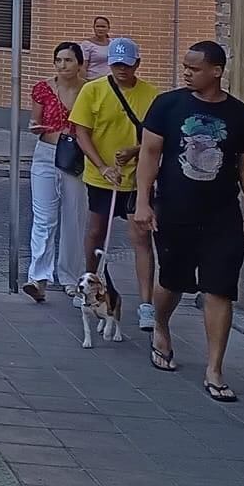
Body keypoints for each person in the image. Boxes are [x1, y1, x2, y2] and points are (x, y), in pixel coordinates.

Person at [134, 42, 244, 401]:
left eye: (194, 68)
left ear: (217, 71)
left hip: (222, 215)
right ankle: (161, 325)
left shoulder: (242, 116)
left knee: (219, 289)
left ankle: (215, 369)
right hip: (174, 210)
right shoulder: (167, 106)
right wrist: (143, 203)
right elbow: (149, 154)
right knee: (172, 281)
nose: (187, 73)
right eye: (185, 67)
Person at [69, 37, 160, 331]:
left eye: (127, 64)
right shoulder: (93, 91)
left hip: (136, 177)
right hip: (102, 177)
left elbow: (156, 136)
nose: (122, 69)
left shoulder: (151, 95)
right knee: (96, 231)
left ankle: (146, 304)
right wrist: (102, 166)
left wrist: (134, 151)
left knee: (141, 237)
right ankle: (89, 284)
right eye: (116, 63)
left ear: (137, 64)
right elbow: (81, 132)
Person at [22, 42, 88, 302]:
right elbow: (34, 120)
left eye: (69, 60)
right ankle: (38, 278)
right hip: (46, 154)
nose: (62, 65)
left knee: (74, 217)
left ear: (80, 64)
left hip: (75, 157)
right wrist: (35, 127)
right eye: (58, 60)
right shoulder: (43, 88)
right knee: (43, 217)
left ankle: (71, 278)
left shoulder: (90, 90)